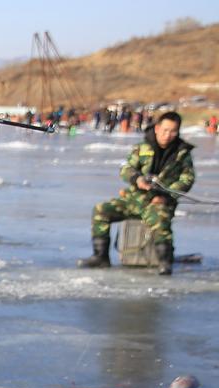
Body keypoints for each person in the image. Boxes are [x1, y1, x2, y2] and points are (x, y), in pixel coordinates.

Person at [80, 111, 194, 276]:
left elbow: (187, 179)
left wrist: (167, 195)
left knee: (160, 220)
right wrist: (137, 179)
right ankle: (100, 256)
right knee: (100, 210)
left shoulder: (182, 154)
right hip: (134, 199)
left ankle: (164, 262)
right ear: (157, 128)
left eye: (173, 131)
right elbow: (126, 168)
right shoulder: (142, 148)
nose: (168, 135)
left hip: (159, 201)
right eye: (165, 130)